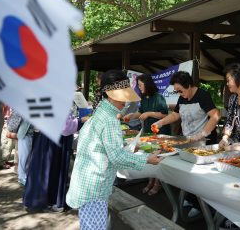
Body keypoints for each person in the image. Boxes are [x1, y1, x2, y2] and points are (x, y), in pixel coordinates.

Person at [66, 70, 162, 230]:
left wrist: (129, 147)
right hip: (95, 187)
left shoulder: (100, 113)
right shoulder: (110, 120)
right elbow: (116, 157)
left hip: (87, 183)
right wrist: (146, 159)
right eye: (123, 97)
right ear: (111, 95)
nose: (125, 102)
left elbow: (103, 147)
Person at [123, 73, 171, 195]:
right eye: (138, 85)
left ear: (147, 84)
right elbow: (141, 113)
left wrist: (149, 114)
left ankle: (157, 183)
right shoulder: (144, 98)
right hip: (149, 133)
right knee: (150, 156)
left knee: (158, 157)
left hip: (161, 132)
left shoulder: (159, 97)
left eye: (140, 85)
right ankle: (150, 181)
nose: (139, 87)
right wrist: (131, 115)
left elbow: (164, 115)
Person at [23, 111, 79, 212]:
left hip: (47, 138)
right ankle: (51, 202)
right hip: (56, 141)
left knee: (44, 169)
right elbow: (65, 128)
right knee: (53, 171)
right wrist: (80, 121)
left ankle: (41, 200)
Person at [152, 71, 221, 143]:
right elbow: (175, 115)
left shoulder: (202, 96)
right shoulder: (182, 97)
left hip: (203, 141)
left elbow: (216, 115)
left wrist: (201, 135)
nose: (179, 94)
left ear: (188, 85)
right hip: (187, 139)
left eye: (180, 91)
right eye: (177, 91)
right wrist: (160, 123)